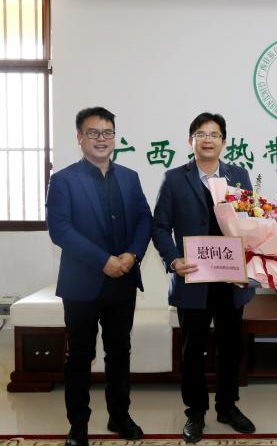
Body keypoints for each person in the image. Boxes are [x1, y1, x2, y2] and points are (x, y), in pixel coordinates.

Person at [46, 107, 152, 446]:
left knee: (119, 352)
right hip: (81, 284)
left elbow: (144, 219)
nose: (101, 139)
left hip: (123, 280)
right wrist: (103, 260)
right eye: (93, 132)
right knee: (79, 355)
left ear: (114, 138)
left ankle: (119, 415)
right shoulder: (64, 180)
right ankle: (78, 425)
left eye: (107, 132)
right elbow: (60, 230)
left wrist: (132, 255)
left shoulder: (130, 177)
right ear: (79, 138)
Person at [152, 112, 256, 443]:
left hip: (230, 279)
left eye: (214, 134)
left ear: (224, 141)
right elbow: (159, 226)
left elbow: (250, 222)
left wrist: (250, 263)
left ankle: (227, 407)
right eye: (201, 134)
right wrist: (173, 260)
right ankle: (195, 412)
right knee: (192, 349)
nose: (207, 140)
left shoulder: (239, 175)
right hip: (193, 278)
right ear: (191, 141)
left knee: (230, 346)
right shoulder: (174, 179)